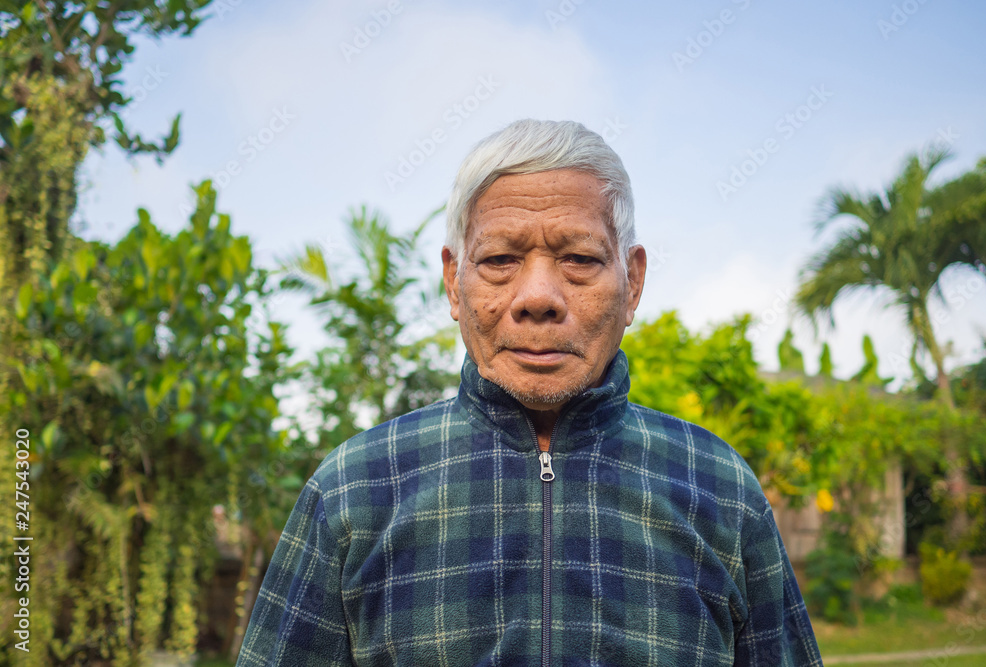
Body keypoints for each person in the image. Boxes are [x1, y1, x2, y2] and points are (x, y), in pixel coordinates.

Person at [236, 119, 823, 666]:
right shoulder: (355, 488)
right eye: (499, 259)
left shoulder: (719, 486)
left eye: (579, 258)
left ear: (633, 280)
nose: (538, 296)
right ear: (453, 283)